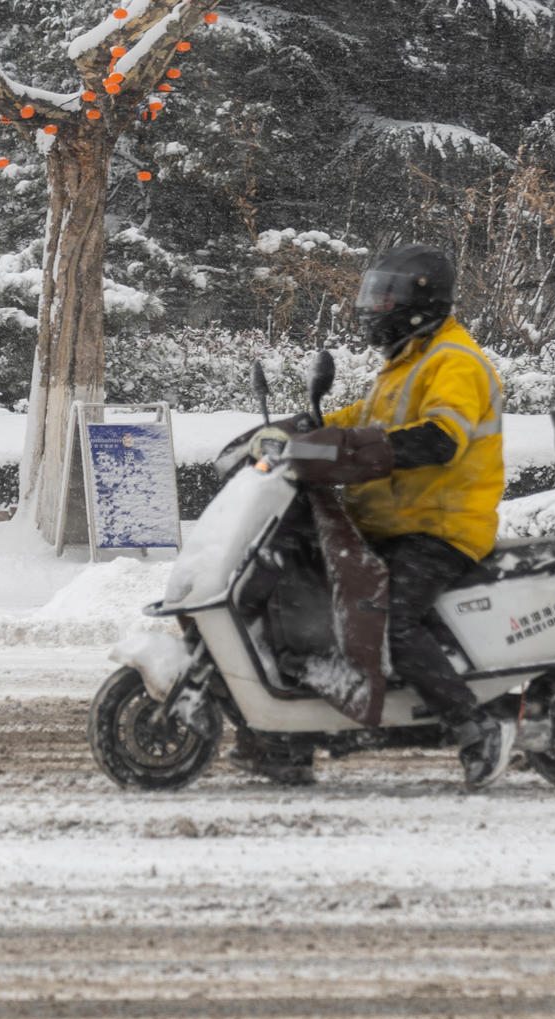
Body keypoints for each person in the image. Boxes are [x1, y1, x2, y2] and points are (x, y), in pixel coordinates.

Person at [231, 244, 512, 791]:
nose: (371, 307)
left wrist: (351, 450)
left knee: (390, 618)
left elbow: (440, 438)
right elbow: (360, 419)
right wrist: (298, 432)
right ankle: (285, 738)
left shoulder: (454, 362)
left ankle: (476, 727)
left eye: (383, 296)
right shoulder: (405, 364)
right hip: (391, 522)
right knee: (306, 602)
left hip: (439, 526)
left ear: (418, 303)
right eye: (371, 295)